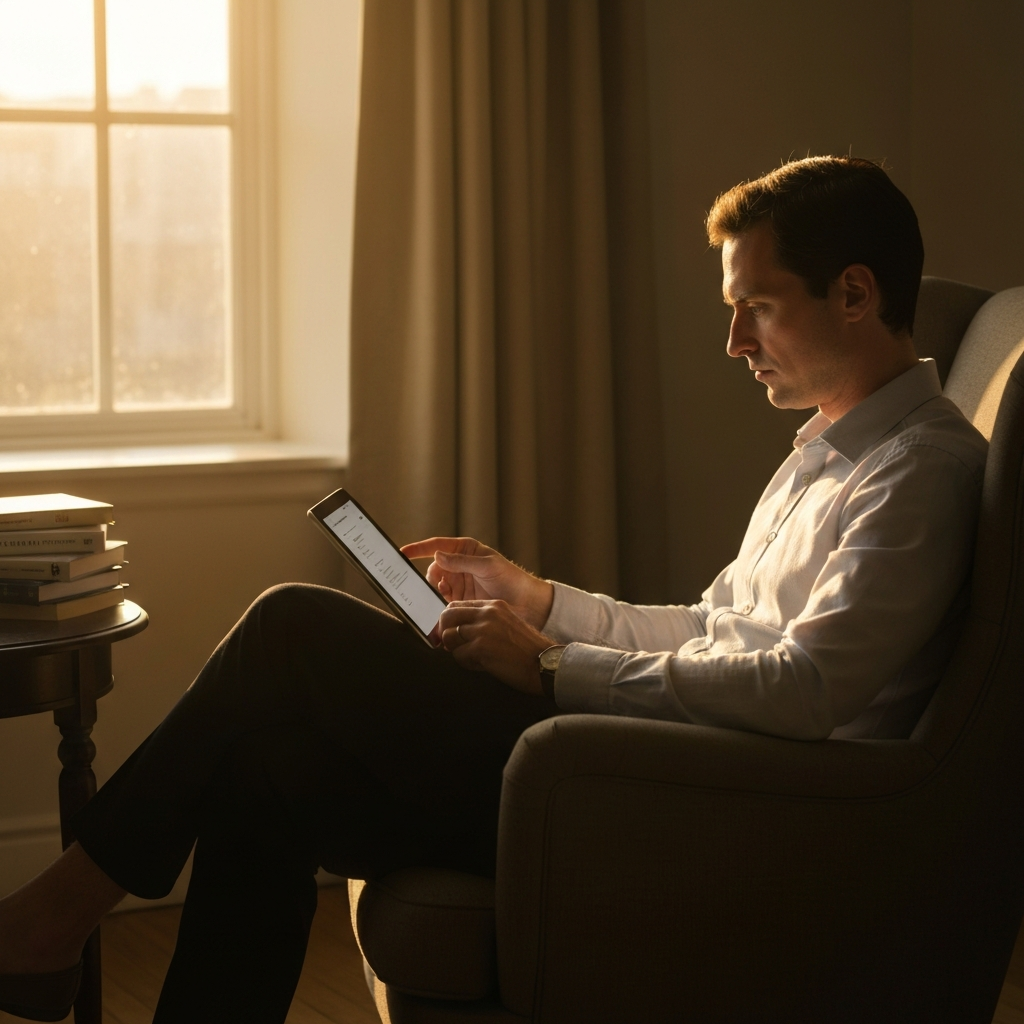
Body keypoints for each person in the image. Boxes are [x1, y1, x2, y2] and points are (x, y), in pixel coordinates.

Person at [0, 156, 986, 1023]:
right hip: (657, 766)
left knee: (291, 626)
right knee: (270, 766)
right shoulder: (825, 453)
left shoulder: (918, 472)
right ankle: (63, 928)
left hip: (705, 807)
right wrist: (538, 598)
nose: (733, 339)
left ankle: (54, 914)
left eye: (757, 305)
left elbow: (804, 690)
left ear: (854, 293)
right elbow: (709, 626)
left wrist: (553, 667)